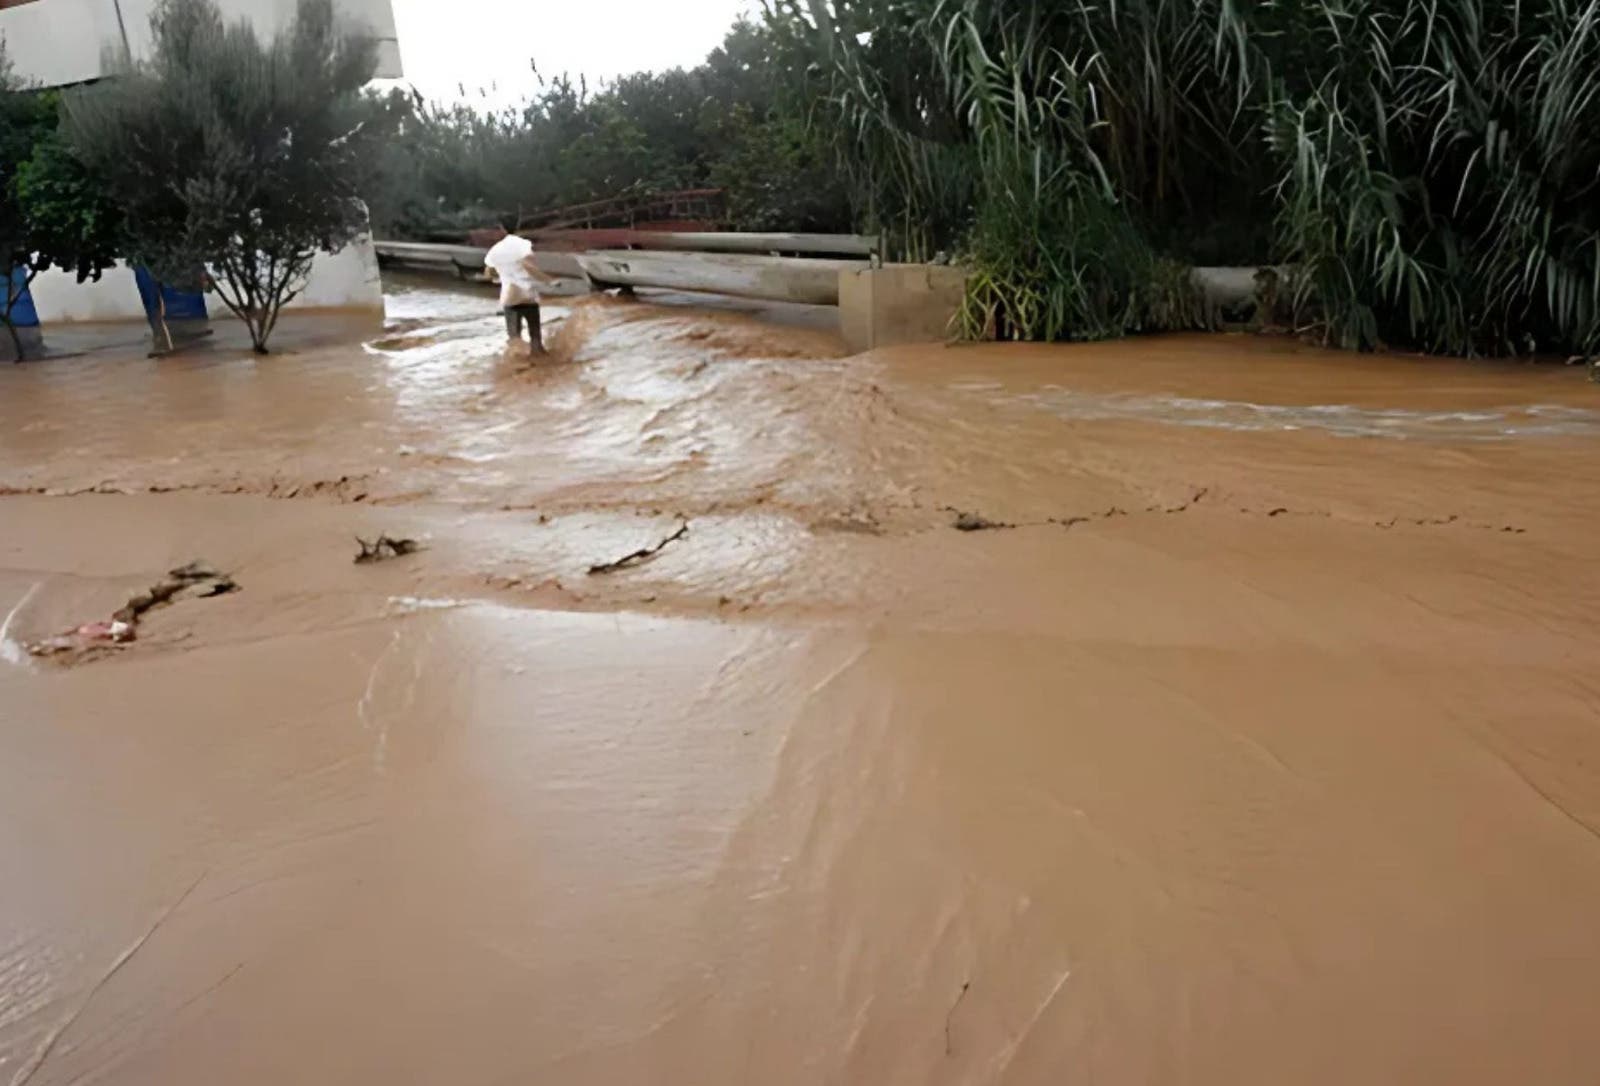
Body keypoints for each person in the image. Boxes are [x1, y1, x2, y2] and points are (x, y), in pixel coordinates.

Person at [483, 219, 556, 354]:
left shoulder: (495, 249)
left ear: (502, 229)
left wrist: (497, 277)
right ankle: (539, 362)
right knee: (535, 337)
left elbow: (488, 273)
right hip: (527, 294)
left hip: (509, 297)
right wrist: (548, 280)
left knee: (514, 337)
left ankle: (515, 366)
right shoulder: (523, 244)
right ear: (519, 227)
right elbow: (528, 265)